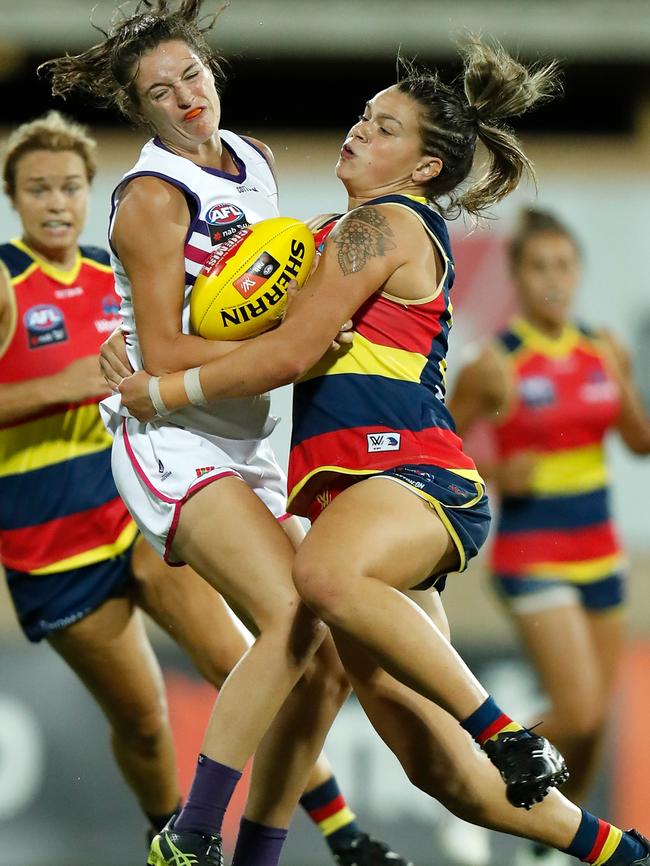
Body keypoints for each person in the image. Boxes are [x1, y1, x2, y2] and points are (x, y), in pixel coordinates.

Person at [104, 11, 650, 866]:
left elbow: (285, 351)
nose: (361, 127)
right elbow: (242, 317)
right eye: (363, 113)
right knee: (438, 771)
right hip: (361, 499)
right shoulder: (325, 234)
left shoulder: (384, 222)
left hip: (410, 479)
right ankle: (616, 851)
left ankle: (208, 830)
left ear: (425, 166)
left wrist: (158, 381)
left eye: (385, 126)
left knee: (315, 585)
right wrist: (138, 335)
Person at [0, 109, 409, 866]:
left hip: (131, 502)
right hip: (50, 538)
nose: (55, 203)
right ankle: (172, 835)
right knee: (146, 722)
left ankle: (339, 832)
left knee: (256, 653)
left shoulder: (115, 274)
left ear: (93, 193)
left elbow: (198, 341)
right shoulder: (7, 279)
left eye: (67, 188)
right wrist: (71, 382)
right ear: (13, 199)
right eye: (36, 190)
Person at [440, 206, 650, 866]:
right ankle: (471, 778)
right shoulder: (495, 364)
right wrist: (499, 469)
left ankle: (556, 845)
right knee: (581, 714)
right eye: (539, 268)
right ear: (518, 277)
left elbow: (640, 444)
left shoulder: (604, 348)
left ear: (579, 272)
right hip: (534, 554)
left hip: (601, 552)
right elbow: (437, 446)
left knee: (593, 730)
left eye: (564, 266)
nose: (554, 281)